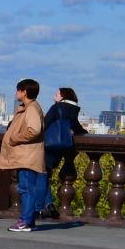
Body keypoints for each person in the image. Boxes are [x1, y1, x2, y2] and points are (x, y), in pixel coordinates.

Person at [0, 78, 47, 233]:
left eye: (18, 90)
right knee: (27, 188)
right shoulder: (27, 107)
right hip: (26, 155)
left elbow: (34, 130)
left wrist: (14, 137)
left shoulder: (31, 108)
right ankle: (28, 221)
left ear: (24, 92)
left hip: (28, 156)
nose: (16, 93)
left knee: (26, 188)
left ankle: (25, 220)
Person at [41, 86, 86, 220]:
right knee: (45, 175)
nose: (54, 97)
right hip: (62, 147)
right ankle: (47, 204)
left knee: (42, 175)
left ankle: (47, 205)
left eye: (56, 94)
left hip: (48, 146)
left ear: (63, 96)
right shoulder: (73, 110)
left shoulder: (56, 108)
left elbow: (45, 124)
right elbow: (78, 127)